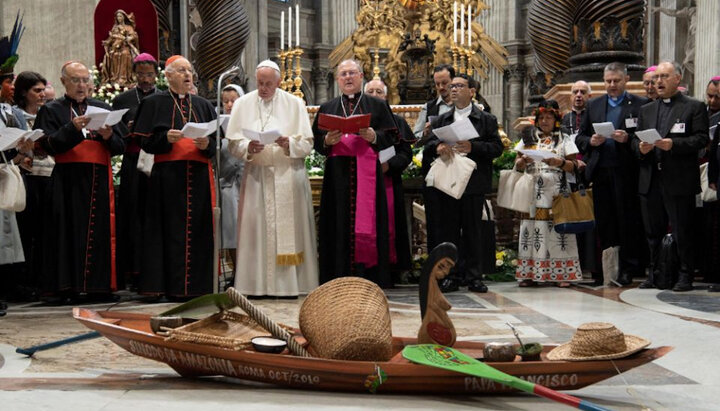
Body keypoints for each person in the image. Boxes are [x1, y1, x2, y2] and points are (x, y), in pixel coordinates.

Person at [33, 61, 126, 300]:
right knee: (66, 233)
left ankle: (99, 287)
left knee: (101, 233)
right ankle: (67, 287)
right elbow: (46, 145)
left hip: (98, 180)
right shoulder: (51, 110)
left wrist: (108, 135)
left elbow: (120, 146)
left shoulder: (101, 107)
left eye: (86, 80)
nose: (82, 85)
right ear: (64, 81)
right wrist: (71, 128)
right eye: (76, 80)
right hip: (67, 181)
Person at [226, 60, 317, 297]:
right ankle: (254, 285)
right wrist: (248, 147)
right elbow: (233, 143)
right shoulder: (243, 104)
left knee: (291, 232)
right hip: (257, 176)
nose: (264, 88)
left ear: (279, 82)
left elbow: (307, 143)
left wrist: (290, 144)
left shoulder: (295, 103)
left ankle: (290, 286)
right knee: (256, 231)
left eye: (269, 84)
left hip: (288, 174)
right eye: (260, 83)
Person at [133, 55, 217, 299]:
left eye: (189, 71)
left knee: (199, 232)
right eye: (181, 71)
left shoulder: (203, 104)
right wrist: (164, 139)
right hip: (167, 179)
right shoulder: (153, 103)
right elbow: (144, 141)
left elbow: (216, 143)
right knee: (166, 232)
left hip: (199, 177)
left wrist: (206, 144)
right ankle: (167, 286)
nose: (187, 75)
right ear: (168, 75)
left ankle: (198, 287)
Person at [312, 59, 398, 288]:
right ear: (337, 80)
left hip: (368, 174)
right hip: (337, 177)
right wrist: (327, 140)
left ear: (361, 77)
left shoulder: (377, 105)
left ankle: (369, 275)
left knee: (370, 221)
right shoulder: (327, 107)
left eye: (352, 73)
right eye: (343, 74)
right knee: (336, 221)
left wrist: (374, 137)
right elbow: (317, 142)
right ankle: (336, 274)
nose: (348, 77)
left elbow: (391, 137)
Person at [633, 61, 709, 291]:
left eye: (664, 76)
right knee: (652, 231)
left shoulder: (694, 107)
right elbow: (635, 142)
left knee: (681, 229)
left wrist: (672, 144)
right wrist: (640, 148)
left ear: (677, 78)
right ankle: (655, 274)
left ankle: (685, 275)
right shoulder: (646, 110)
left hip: (678, 179)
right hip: (651, 179)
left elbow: (701, 139)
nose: (658, 81)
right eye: (656, 78)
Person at [424, 74, 503, 293]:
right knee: (449, 231)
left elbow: (497, 148)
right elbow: (428, 146)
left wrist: (473, 147)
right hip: (449, 180)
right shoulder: (441, 120)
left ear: (472, 91)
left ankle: (474, 276)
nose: (454, 89)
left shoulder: (486, 119)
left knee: (473, 230)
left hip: (474, 182)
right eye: (452, 86)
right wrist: (438, 147)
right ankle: (452, 275)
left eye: (459, 86)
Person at [575, 62, 649, 286]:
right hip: (601, 171)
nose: (612, 85)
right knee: (605, 220)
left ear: (625, 80)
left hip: (627, 170)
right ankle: (607, 268)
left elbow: (644, 136)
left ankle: (627, 268)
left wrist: (628, 139)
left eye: (616, 81)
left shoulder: (640, 105)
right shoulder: (594, 104)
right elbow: (580, 137)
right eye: (608, 81)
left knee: (627, 220)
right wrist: (591, 141)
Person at [514, 99, 582, 287]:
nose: (545, 121)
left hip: (556, 192)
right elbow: (518, 163)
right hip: (533, 192)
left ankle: (562, 275)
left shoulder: (564, 139)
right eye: (541, 118)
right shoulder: (528, 139)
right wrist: (521, 163)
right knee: (532, 231)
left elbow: (574, 166)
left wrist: (558, 163)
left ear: (556, 120)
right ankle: (530, 274)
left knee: (558, 232)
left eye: (549, 118)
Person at [111, 53, 159, 289]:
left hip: (156, 161)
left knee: (153, 214)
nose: (145, 80)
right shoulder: (123, 99)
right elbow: (115, 128)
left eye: (149, 74)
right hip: (132, 161)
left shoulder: (162, 97)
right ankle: (132, 270)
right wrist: (129, 130)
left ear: (156, 74)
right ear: (134, 74)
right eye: (141, 75)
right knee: (132, 214)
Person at [364, 78, 413, 281]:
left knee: (390, 226)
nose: (375, 95)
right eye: (371, 92)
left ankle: (391, 268)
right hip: (363, 184)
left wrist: (389, 165)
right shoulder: (358, 121)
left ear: (386, 96)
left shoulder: (397, 122)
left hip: (388, 181)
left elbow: (405, 153)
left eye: (379, 92)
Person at [12, 71, 52, 299]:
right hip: (27, 176)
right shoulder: (16, 115)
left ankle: (43, 280)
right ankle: (25, 281)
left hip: (49, 174)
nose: (42, 94)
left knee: (46, 231)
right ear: (23, 93)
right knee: (28, 231)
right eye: (36, 91)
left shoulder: (49, 112)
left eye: (43, 89)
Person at [218, 83, 244, 272]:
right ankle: (235, 270)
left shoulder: (248, 120)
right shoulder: (219, 124)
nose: (229, 105)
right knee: (230, 232)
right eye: (225, 101)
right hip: (227, 183)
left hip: (247, 182)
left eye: (233, 101)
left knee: (248, 231)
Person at [413, 64, 454, 142]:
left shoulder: (464, 105)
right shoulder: (428, 107)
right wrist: (424, 133)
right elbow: (415, 136)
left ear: (453, 81)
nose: (441, 87)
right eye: (437, 84)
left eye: (444, 83)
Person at [101, 10, 140, 87]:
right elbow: (111, 39)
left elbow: (134, 36)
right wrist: (107, 42)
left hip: (125, 47)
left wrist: (129, 38)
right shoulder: (114, 28)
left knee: (125, 54)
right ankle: (115, 78)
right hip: (115, 48)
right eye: (118, 16)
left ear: (124, 17)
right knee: (114, 55)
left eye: (120, 16)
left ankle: (124, 78)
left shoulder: (129, 27)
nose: (119, 18)